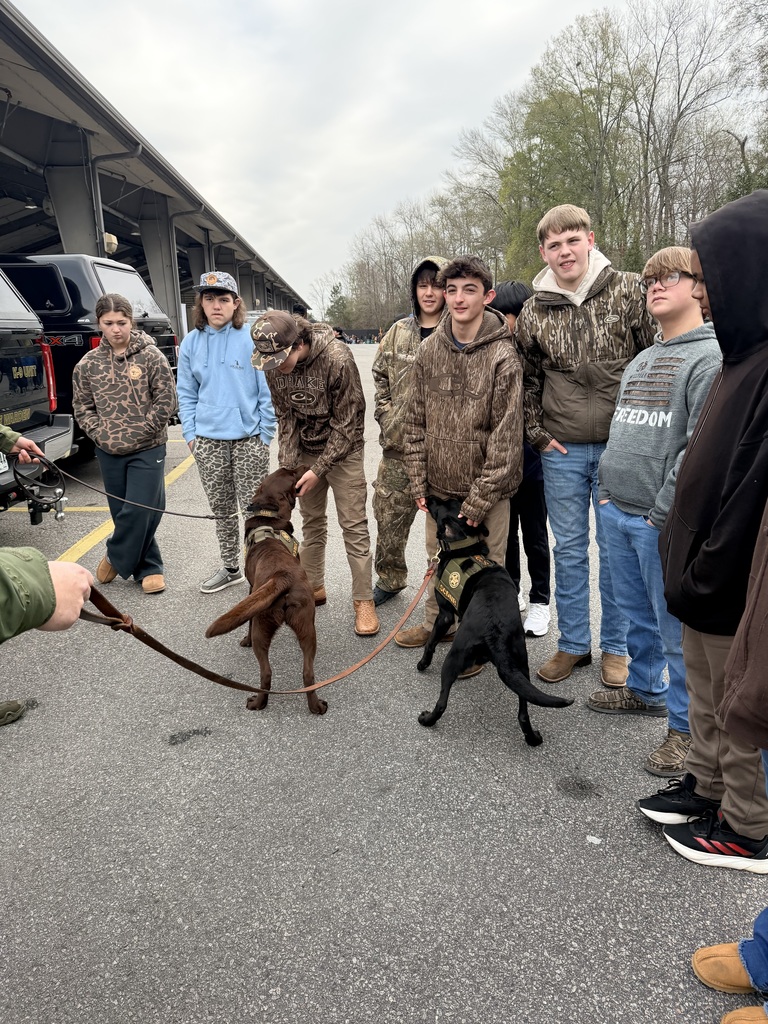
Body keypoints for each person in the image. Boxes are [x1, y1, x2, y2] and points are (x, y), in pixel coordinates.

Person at [636, 189, 768, 871]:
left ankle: (746, 826)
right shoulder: (739, 355)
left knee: (739, 702)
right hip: (696, 574)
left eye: (713, 279)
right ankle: (709, 788)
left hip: (729, 578)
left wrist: (709, 567)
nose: (706, 293)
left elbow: (749, 493)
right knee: (707, 698)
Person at [584, 247, 720, 776]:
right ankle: (643, 690)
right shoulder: (643, 358)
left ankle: (686, 731)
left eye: (670, 277)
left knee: (673, 632)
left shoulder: (708, 359)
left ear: (697, 288)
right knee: (632, 612)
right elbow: (621, 428)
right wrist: (602, 490)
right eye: (648, 280)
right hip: (616, 509)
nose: (655, 286)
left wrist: (659, 514)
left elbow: (696, 448)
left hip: (656, 522)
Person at [515, 204, 655, 686]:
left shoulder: (628, 290)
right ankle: (573, 643)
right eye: (554, 244)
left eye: (572, 240)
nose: (564, 251)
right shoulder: (535, 310)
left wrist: (645, 435)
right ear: (544, 252)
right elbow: (527, 380)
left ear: (590, 240)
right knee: (570, 549)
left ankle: (616, 647)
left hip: (622, 448)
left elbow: (653, 357)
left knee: (615, 550)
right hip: (563, 449)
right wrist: (537, 433)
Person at [395, 254, 523, 656]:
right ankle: (436, 622)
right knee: (440, 564)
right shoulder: (429, 350)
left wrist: (480, 499)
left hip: (487, 495)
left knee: (484, 574)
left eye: (469, 290)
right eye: (452, 290)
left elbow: (506, 440)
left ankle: (478, 644)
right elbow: (414, 422)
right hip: (439, 492)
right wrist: (419, 482)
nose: (458, 298)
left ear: (488, 297)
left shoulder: (503, 355)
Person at [251, 310, 379, 637]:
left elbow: (349, 423)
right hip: (306, 452)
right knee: (311, 522)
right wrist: (291, 469)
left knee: (353, 524)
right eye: (270, 361)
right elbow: (286, 419)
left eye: (281, 358)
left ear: (298, 343)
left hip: (344, 450)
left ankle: (363, 599)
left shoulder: (337, 359)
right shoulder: (273, 367)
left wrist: (319, 469)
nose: (276, 366)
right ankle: (312, 588)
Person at [177, 271, 276, 594]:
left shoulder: (251, 339)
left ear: (236, 304)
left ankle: (258, 567)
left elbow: (267, 391)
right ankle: (231, 566)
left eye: (223, 299)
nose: (216, 305)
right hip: (208, 441)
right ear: (200, 304)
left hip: (249, 440)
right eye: (209, 299)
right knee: (221, 509)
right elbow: (187, 392)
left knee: (255, 510)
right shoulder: (191, 342)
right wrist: (191, 434)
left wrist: (265, 434)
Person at [72, 293, 177, 595]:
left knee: (143, 509)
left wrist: (141, 430)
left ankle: (115, 557)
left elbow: (166, 401)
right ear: (99, 324)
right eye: (109, 323)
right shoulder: (87, 365)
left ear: (131, 322)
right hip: (108, 449)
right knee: (121, 511)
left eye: (122, 322)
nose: (116, 329)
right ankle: (149, 567)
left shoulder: (151, 356)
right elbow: (82, 407)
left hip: (148, 446)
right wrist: (101, 434)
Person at [371, 256, 447, 606]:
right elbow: (380, 377)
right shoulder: (398, 332)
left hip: (444, 451)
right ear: (414, 290)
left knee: (446, 530)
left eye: (437, 285)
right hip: (399, 449)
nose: (429, 292)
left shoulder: (459, 328)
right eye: (423, 285)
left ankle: (447, 592)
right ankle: (389, 578)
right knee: (388, 518)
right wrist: (387, 416)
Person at [489, 280, 551, 638]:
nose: (509, 322)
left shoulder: (536, 352)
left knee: (535, 535)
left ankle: (540, 601)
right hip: (500, 465)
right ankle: (511, 594)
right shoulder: (491, 350)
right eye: (504, 314)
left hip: (533, 464)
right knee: (505, 536)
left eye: (515, 314)